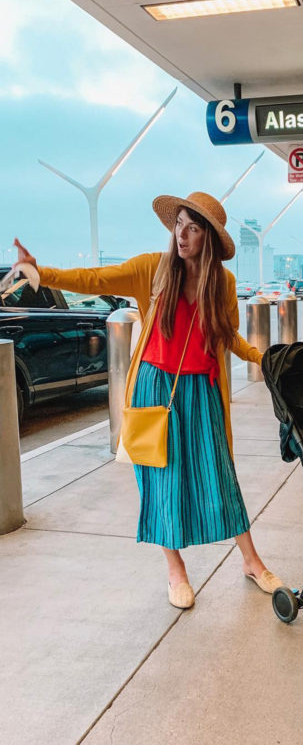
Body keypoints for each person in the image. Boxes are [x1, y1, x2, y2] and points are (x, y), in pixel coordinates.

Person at [14, 191, 283, 609]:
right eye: (179, 224)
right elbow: (95, 279)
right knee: (162, 481)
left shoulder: (222, 283)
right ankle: (175, 569)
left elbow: (227, 335)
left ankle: (251, 561)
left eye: (193, 228)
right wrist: (40, 271)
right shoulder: (153, 271)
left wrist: (263, 360)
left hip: (202, 392)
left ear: (208, 237)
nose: (182, 235)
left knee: (220, 476)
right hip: (156, 390)